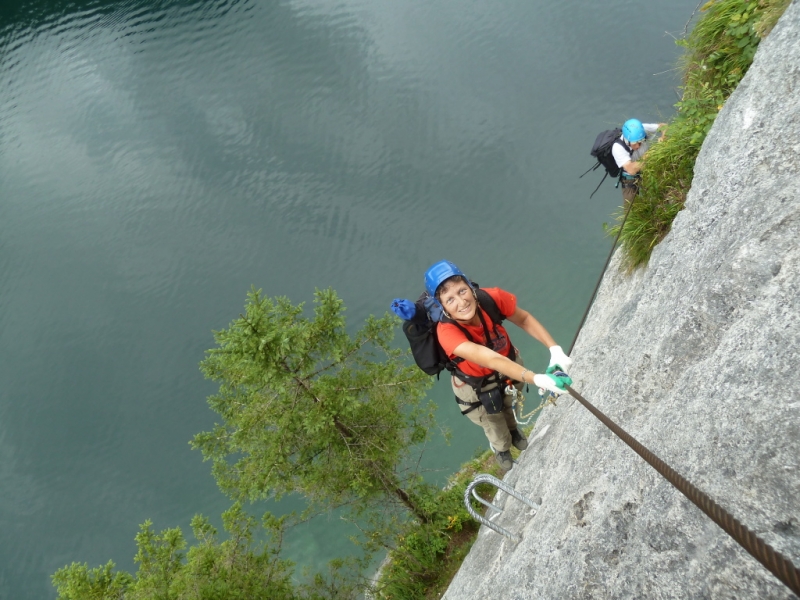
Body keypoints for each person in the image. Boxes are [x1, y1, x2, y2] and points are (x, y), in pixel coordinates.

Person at [424, 260, 573, 470]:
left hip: (509, 370)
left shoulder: (490, 298)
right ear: (442, 307)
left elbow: (524, 319)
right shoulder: (447, 333)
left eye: (462, 291)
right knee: (493, 419)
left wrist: (554, 349)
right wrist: (536, 378)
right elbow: (491, 359)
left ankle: (514, 431)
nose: (461, 302)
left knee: (509, 405)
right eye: (450, 299)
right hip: (476, 385)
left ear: (470, 286)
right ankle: (501, 448)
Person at [613, 119, 667, 206]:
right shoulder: (617, 148)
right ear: (627, 140)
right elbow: (631, 169)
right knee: (631, 207)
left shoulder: (642, 129)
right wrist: (651, 153)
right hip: (630, 178)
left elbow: (664, 126)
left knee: (659, 194)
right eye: (635, 143)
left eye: (641, 142)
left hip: (647, 168)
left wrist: (663, 137)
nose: (638, 146)